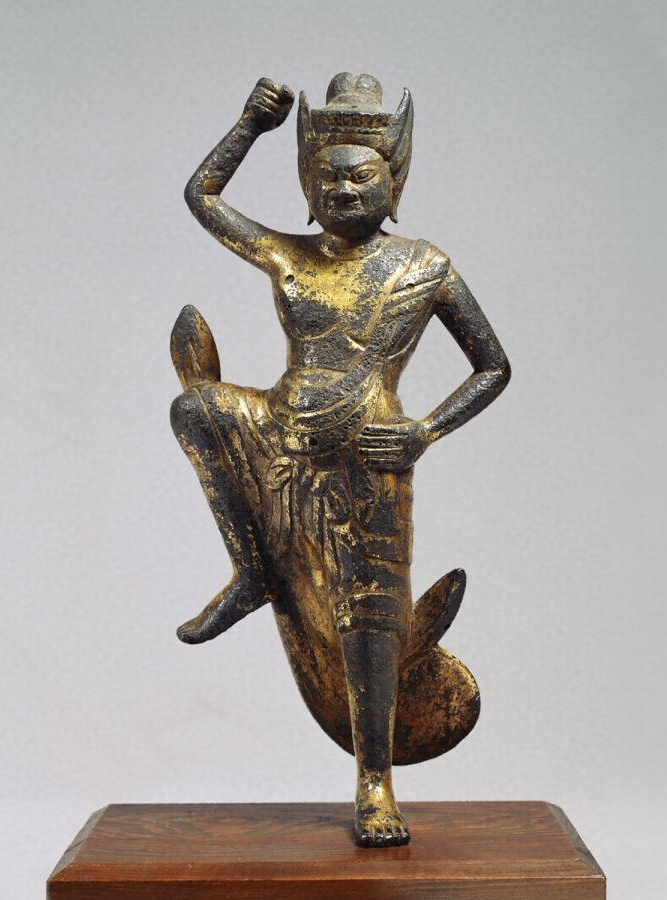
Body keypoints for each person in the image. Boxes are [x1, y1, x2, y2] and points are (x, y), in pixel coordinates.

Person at [170, 73, 511, 846]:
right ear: (305, 184)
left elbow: (492, 365)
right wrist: (250, 124)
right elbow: (202, 197)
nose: (344, 189)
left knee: (369, 622)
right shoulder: (288, 254)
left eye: (362, 176)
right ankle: (251, 571)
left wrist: (426, 430)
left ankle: (374, 783)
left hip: (370, 455)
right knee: (196, 409)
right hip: (282, 432)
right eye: (327, 177)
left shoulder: (423, 267)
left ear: (394, 183)